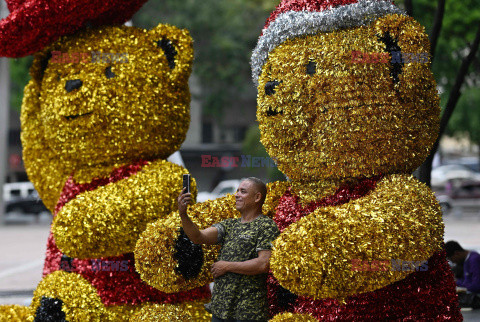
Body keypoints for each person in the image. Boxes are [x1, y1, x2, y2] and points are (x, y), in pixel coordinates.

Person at [178, 177, 279, 322]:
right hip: (221, 310)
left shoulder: (266, 226)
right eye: (237, 191)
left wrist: (227, 266)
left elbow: (263, 264)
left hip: (248, 312)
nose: (236, 194)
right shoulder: (229, 225)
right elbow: (197, 237)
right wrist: (183, 214)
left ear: (257, 197)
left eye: (243, 191)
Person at [445, 240, 480, 309]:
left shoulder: (474, 259)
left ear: (457, 253)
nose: (453, 262)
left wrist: (457, 282)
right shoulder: (466, 260)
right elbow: (468, 281)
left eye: (451, 259)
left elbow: (476, 286)